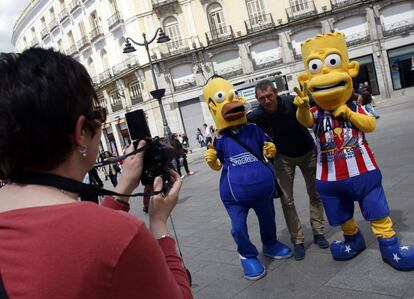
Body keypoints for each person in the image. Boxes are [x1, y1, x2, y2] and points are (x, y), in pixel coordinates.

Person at [0, 48, 193, 298]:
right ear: (81, 131)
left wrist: (122, 188)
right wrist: (159, 225)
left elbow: (72, 241)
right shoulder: (121, 234)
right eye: (98, 115)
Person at [294, 31, 414, 271]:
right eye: (317, 67)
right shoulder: (317, 113)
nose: (326, 75)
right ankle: (353, 239)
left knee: (377, 209)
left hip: (363, 172)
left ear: (350, 70)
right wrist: (303, 106)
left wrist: (348, 113)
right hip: (330, 178)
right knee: (341, 215)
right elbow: (305, 121)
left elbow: (370, 124)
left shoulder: (354, 106)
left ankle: (388, 244)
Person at [203, 76, 292, 280]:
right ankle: (247, 255)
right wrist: (212, 161)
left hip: (262, 191)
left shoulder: (253, 128)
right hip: (235, 195)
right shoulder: (219, 138)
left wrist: (270, 148)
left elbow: (267, 146)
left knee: (268, 218)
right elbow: (217, 165)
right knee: (238, 228)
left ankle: (270, 243)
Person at [247, 79, 329, 260]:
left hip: (308, 152)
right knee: (287, 200)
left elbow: (321, 100)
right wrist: (218, 131)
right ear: (257, 99)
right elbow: (237, 123)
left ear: (275, 93)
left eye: (269, 96)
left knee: (315, 193)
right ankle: (298, 240)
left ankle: (318, 231)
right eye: (262, 98)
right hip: (283, 158)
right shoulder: (257, 115)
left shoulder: (291, 101)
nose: (267, 101)